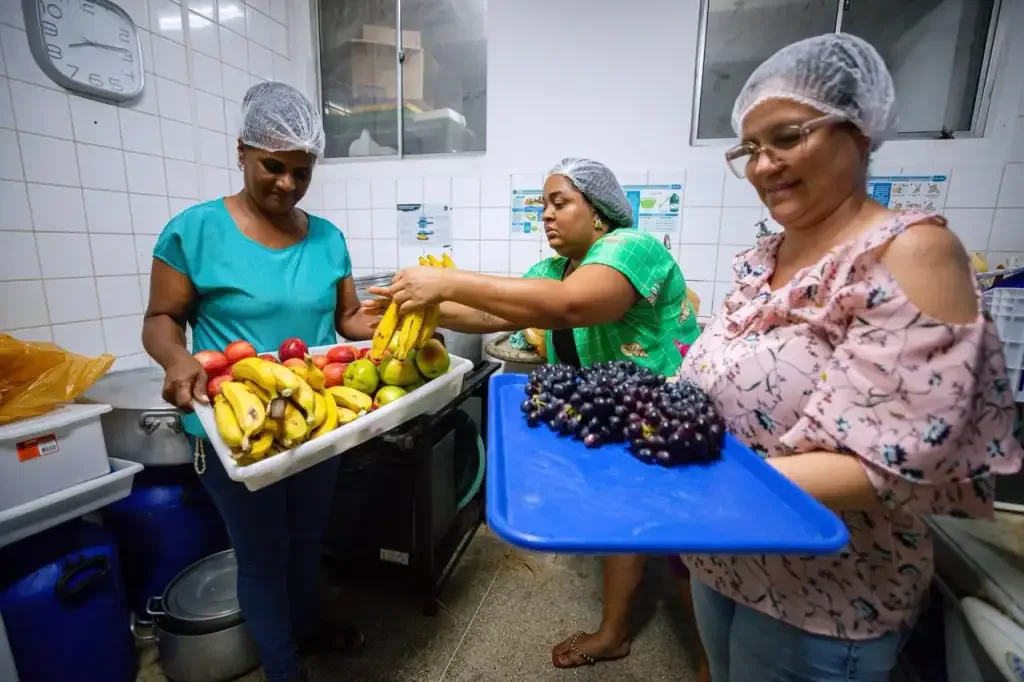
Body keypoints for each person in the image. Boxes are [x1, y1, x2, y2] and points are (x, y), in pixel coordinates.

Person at [676, 33, 1023, 682]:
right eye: (750, 148)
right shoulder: (762, 264)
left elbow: (892, 463)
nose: (763, 164)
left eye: (787, 136)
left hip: (825, 592)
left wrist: (682, 487)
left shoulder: (911, 253)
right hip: (722, 554)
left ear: (859, 131)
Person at [368, 158, 709, 677]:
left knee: (685, 546)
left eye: (559, 202)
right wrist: (417, 307)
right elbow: (490, 315)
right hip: (610, 411)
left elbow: (573, 306)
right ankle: (620, 632)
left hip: (660, 410)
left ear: (598, 212)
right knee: (628, 519)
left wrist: (446, 281)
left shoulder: (630, 247)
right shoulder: (552, 270)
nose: (545, 215)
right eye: (542, 204)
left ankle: (709, 659)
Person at [142, 82, 377, 682]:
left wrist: (396, 314)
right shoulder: (192, 231)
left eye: (302, 172)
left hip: (313, 417)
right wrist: (175, 360)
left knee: (306, 539)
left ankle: (309, 629)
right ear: (242, 150)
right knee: (262, 552)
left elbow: (347, 319)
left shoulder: (328, 238)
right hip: (233, 427)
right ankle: (282, 667)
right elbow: (161, 319)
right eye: (274, 166)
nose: (287, 184)